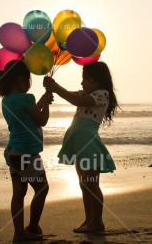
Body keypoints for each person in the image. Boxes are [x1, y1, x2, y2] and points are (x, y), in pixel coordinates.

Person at [44, 61, 119, 233]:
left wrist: (56, 88)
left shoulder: (102, 94)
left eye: (85, 79)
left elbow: (76, 100)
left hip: (88, 143)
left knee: (91, 183)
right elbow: (71, 94)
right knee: (84, 183)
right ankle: (89, 219)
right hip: (78, 142)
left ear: (97, 81)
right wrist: (52, 87)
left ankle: (97, 221)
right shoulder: (87, 92)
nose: (82, 83)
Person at [0, 60, 53, 242]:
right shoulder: (27, 99)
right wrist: (48, 104)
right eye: (28, 79)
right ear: (21, 79)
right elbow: (41, 119)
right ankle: (33, 227)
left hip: (13, 153)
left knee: (18, 194)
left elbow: (29, 113)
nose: (29, 83)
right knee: (42, 189)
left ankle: (19, 232)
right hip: (27, 154)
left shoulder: (6, 101)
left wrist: (43, 99)